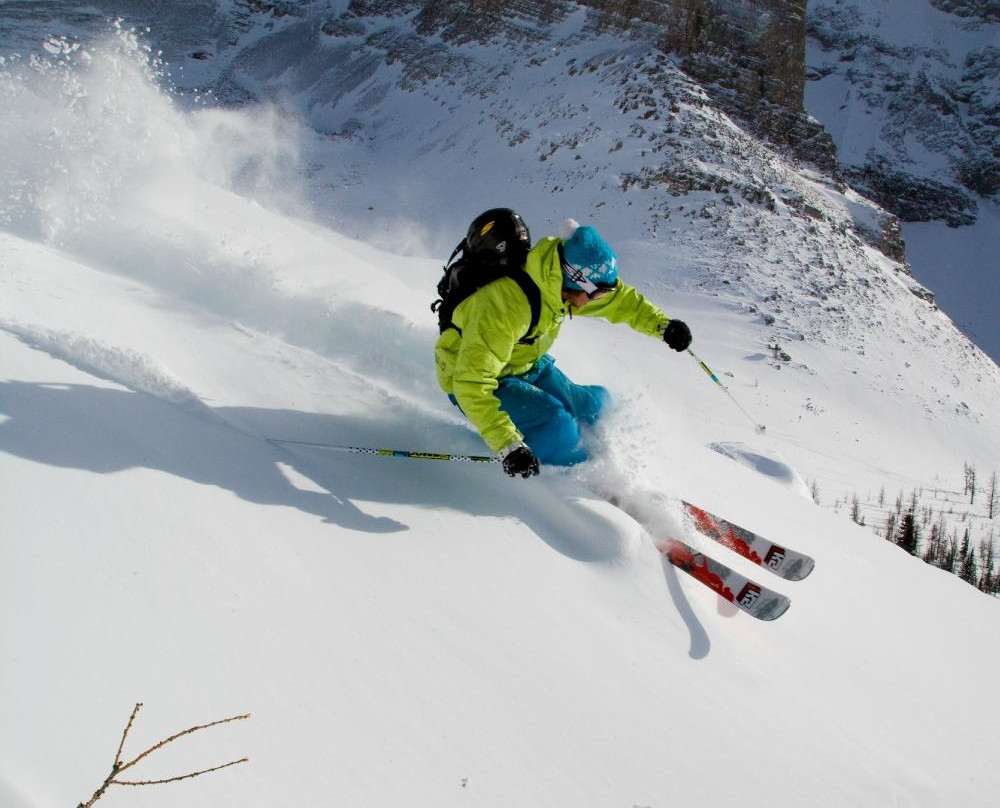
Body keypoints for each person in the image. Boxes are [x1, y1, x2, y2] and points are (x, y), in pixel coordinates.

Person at [434, 215, 692, 478]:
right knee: (558, 424)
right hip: (471, 379)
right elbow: (471, 383)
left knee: (595, 406)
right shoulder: (505, 309)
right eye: (597, 294)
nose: (597, 301)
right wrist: (507, 444)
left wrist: (663, 326)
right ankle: (579, 480)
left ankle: (587, 459)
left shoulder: (558, 284)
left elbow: (620, 300)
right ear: (576, 279)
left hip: (522, 363)